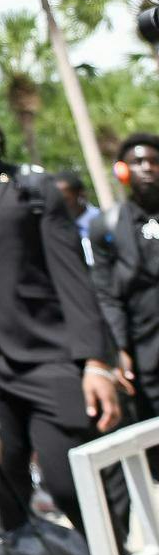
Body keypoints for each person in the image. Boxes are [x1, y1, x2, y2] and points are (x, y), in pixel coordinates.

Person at [0, 97, 122, 532]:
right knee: (6, 501)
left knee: (70, 483)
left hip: (47, 356)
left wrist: (96, 362)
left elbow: (72, 276)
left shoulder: (30, 188)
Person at [93, 134, 159, 420]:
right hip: (147, 354)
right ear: (122, 170)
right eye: (138, 162)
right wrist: (119, 347)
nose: (147, 168)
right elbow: (106, 293)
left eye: (154, 162)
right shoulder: (106, 226)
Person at [54, 171, 104, 265]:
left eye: (66, 200)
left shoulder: (104, 221)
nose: (61, 205)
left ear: (81, 194)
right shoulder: (60, 229)